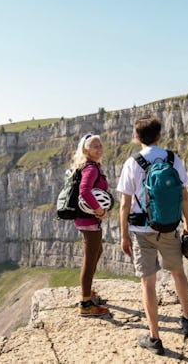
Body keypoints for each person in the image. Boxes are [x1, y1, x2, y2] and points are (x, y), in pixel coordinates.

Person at [116, 115, 188, 355]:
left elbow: (124, 203)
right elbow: (184, 195)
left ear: (137, 137)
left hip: (142, 231)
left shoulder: (132, 163)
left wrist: (124, 235)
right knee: (178, 273)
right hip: (170, 227)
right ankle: (187, 320)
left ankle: (154, 338)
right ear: (159, 135)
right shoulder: (172, 159)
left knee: (148, 283)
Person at [72, 133, 111, 317]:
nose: (99, 148)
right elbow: (85, 191)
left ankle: (87, 291)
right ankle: (86, 303)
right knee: (90, 258)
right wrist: (99, 210)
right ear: (86, 149)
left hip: (87, 219)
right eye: (95, 146)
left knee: (97, 252)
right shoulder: (91, 168)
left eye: (100, 145)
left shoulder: (92, 166)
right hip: (89, 220)